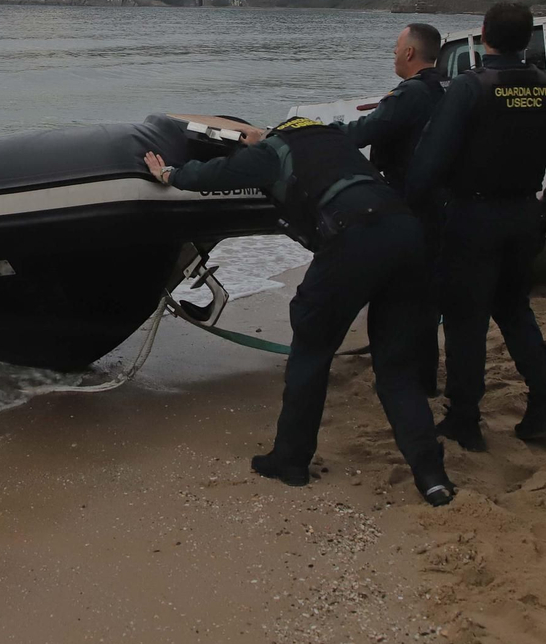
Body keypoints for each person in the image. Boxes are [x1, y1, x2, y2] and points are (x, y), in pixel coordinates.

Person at [143, 117, 455, 506]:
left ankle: (290, 460)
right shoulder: (336, 142)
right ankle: (432, 477)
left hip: (352, 239)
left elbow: (214, 174)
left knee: (311, 349)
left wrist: (170, 173)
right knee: (396, 370)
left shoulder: (272, 152)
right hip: (406, 234)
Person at [405, 2, 546, 452]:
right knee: (516, 310)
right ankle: (543, 404)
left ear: (483, 36)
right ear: (529, 39)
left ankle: (465, 418)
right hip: (524, 214)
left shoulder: (469, 88)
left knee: (466, 322)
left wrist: (412, 205)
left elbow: (430, 160)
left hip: (472, 217)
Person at [334, 23, 446, 395]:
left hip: (408, 205)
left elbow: (365, 131)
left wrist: (316, 134)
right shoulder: (446, 89)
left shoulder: (411, 94)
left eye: (397, 47)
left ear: (411, 53)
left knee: (397, 296)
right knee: (425, 298)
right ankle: (424, 377)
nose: (393, 53)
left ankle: (402, 378)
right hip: (440, 205)